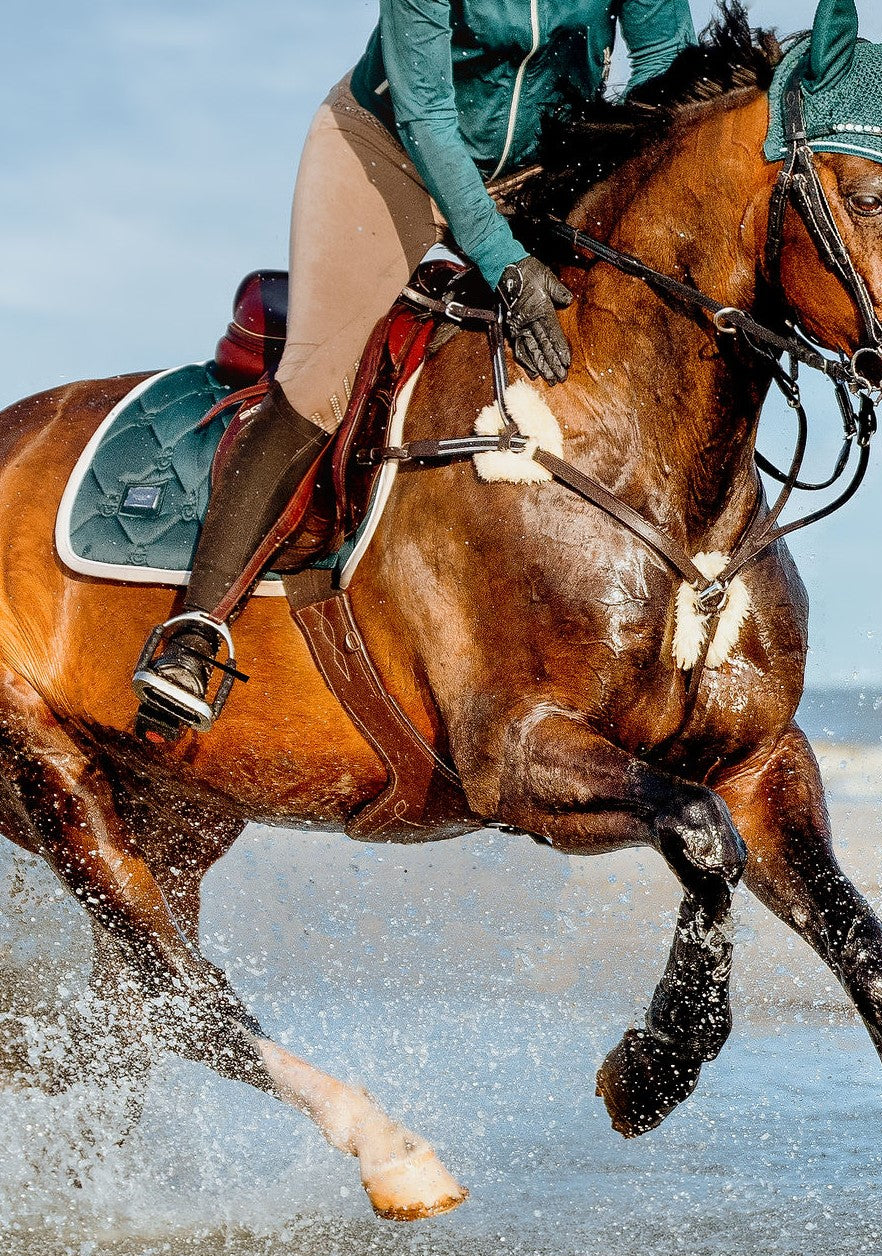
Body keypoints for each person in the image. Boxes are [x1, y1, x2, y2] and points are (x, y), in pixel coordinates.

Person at [132, 0, 696, 737]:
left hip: (539, 165)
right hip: (387, 151)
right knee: (317, 382)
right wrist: (505, 262)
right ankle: (192, 633)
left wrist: (620, 167)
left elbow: (665, 65)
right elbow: (427, 117)